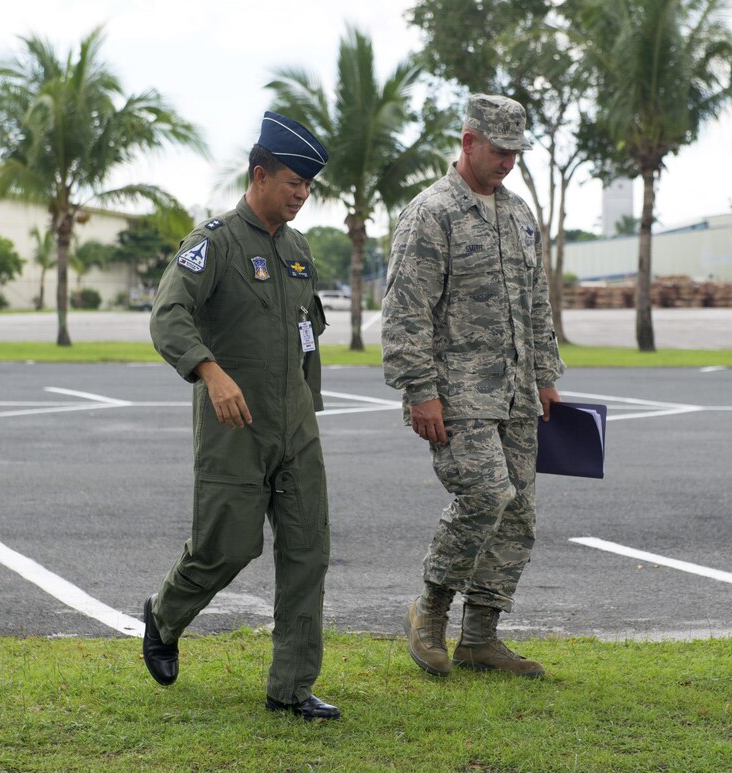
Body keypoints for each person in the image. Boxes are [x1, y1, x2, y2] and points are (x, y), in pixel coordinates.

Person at [141, 111, 340, 721]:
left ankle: (291, 687)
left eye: (308, 187)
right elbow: (167, 315)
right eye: (292, 184)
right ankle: (166, 614)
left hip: (295, 426)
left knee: (309, 550)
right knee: (225, 547)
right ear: (259, 175)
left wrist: (308, 404)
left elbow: (307, 329)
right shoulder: (216, 243)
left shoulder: (299, 248)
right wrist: (211, 372)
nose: (302, 196)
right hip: (235, 429)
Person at [382, 94, 564, 679]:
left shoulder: (518, 215)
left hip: (514, 393)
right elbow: (405, 310)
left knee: (519, 515)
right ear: (468, 142)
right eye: (499, 149)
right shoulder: (432, 212)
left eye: (516, 151)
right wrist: (419, 391)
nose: (509, 161)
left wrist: (546, 377)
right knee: (487, 496)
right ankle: (429, 610)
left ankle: (481, 636)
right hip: (456, 394)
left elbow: (538, 303)